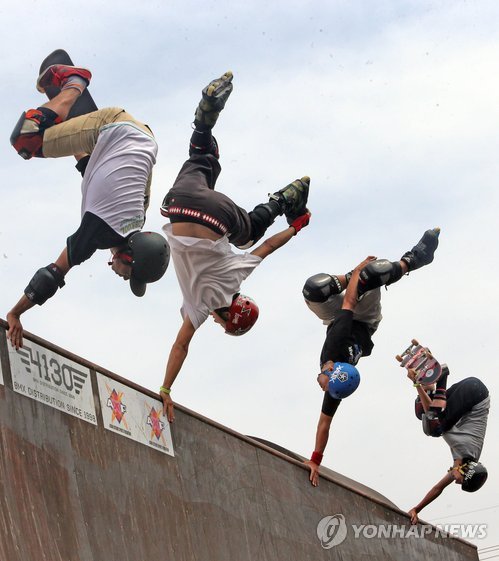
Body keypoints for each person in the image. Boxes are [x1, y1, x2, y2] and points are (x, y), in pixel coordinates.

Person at [159, 71, 311, 422]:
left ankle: (207, 120)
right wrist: (166, 389)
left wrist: (297, 225)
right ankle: (280, 198)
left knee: (206, 162)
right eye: (222, 324)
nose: (215, 322)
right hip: (180, 204)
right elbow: (181, 346)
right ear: (228, 317)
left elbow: (268, 246)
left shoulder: (235, 276)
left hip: (212, 207)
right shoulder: (199, 308)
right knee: (243, 229)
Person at [7, 63, 169, 349]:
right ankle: (75, 81)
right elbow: (52, 275)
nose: (121, 277)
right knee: (27, 139)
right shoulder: (99, 233)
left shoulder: (136, 218)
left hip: (140, 138)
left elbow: (89, 167)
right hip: (112, 128)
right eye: (128, 275)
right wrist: (16, 313)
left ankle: (65, 105)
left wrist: (62, 127)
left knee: (71, 141)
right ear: (129, 257)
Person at [302, 228, 441, 486]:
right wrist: (356, 272)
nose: (322, 388)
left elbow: (324, 423)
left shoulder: (335, 388)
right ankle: (413, 260)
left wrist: (315, 460)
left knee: (313, 290)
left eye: (326, 388)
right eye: (325, 385)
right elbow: (350, 302)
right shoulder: (334, 349)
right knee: (373, 272)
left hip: (337, 316)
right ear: (332, 369)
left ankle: (363, 275)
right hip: (364, 317)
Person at [407, 370, 489, 524]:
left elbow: (438, 488)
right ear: (466, 472)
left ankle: (431, 388)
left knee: (421, 412)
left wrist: (417, 509)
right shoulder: (463, 446)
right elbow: (433, 416)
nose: (456, 482)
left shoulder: (464, 461)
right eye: (461, 481)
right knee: (433, 427)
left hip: (472, 390)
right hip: (474, 395)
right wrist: (416, 384)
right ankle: (441, 378)